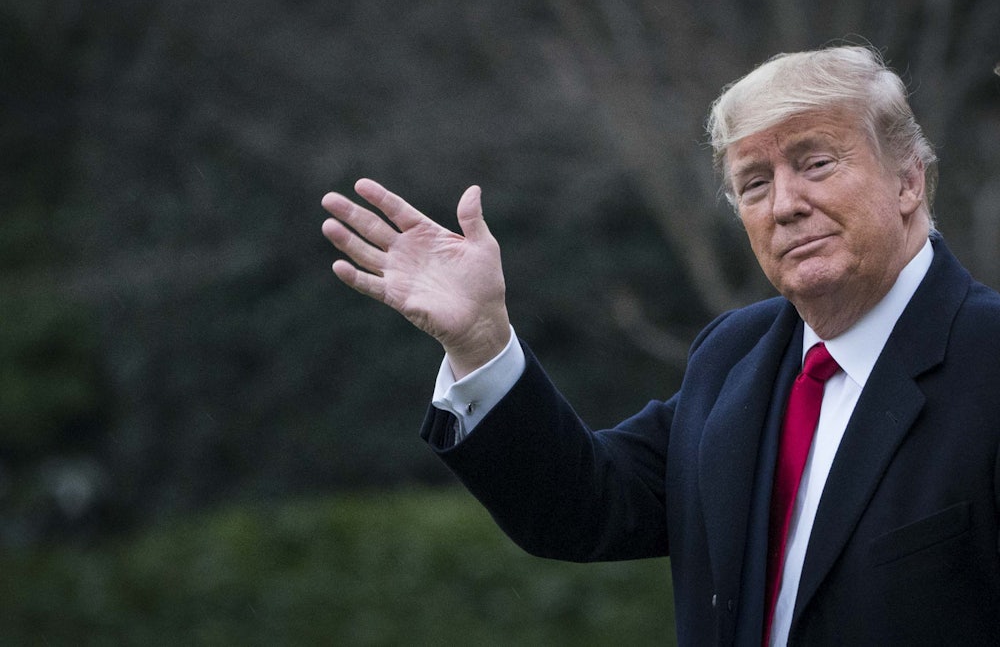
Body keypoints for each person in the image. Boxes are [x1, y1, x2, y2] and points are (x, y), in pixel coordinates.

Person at [320, 45, 1000, 646]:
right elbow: (585, 508)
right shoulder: (735, 357)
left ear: (908, 180)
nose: (785, 203)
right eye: (754, 184)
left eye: (815, 163)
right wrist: (481, 340)